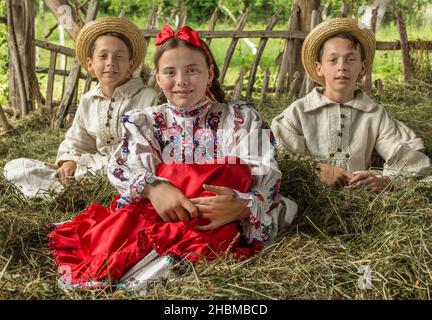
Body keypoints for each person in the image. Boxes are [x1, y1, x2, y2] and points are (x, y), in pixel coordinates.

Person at [49, 24, 298, 291]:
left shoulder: (240, 118)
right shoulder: (147, 122)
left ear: (209, 73)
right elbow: (123, 166)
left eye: (192, 70)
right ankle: (139, 274)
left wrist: (243, 205)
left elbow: (265, 170)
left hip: (219, 213)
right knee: (120, 234)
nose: (181, 81)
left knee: (272, 205)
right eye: (170, 72)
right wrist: (154, 188)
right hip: (164, 213)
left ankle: (150, 278)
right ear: (157, 77)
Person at [271, 18, 431, 193]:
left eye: (350, 59)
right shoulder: (298, 112)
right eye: (333, 60)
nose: (342, 67)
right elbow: (277, 155)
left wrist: (385, 181)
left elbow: (411, 158)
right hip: (307, 199)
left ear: (362, 67)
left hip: (360, 201)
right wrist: (316, 169)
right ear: (319, 68)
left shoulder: (374, 114)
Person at [3, 17, 158, 197]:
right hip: (90, 168)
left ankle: (67, 189)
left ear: (131, 64)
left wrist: (84, 165)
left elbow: (144, 152)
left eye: (119, 56)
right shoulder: (88, 100)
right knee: (14, 167)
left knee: (107, 171)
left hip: (129, 169)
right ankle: (66, 189)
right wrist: (69, 161)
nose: (110, 62)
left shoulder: (148, 99)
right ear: (90, 64)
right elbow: (77, 140)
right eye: (103, 56)